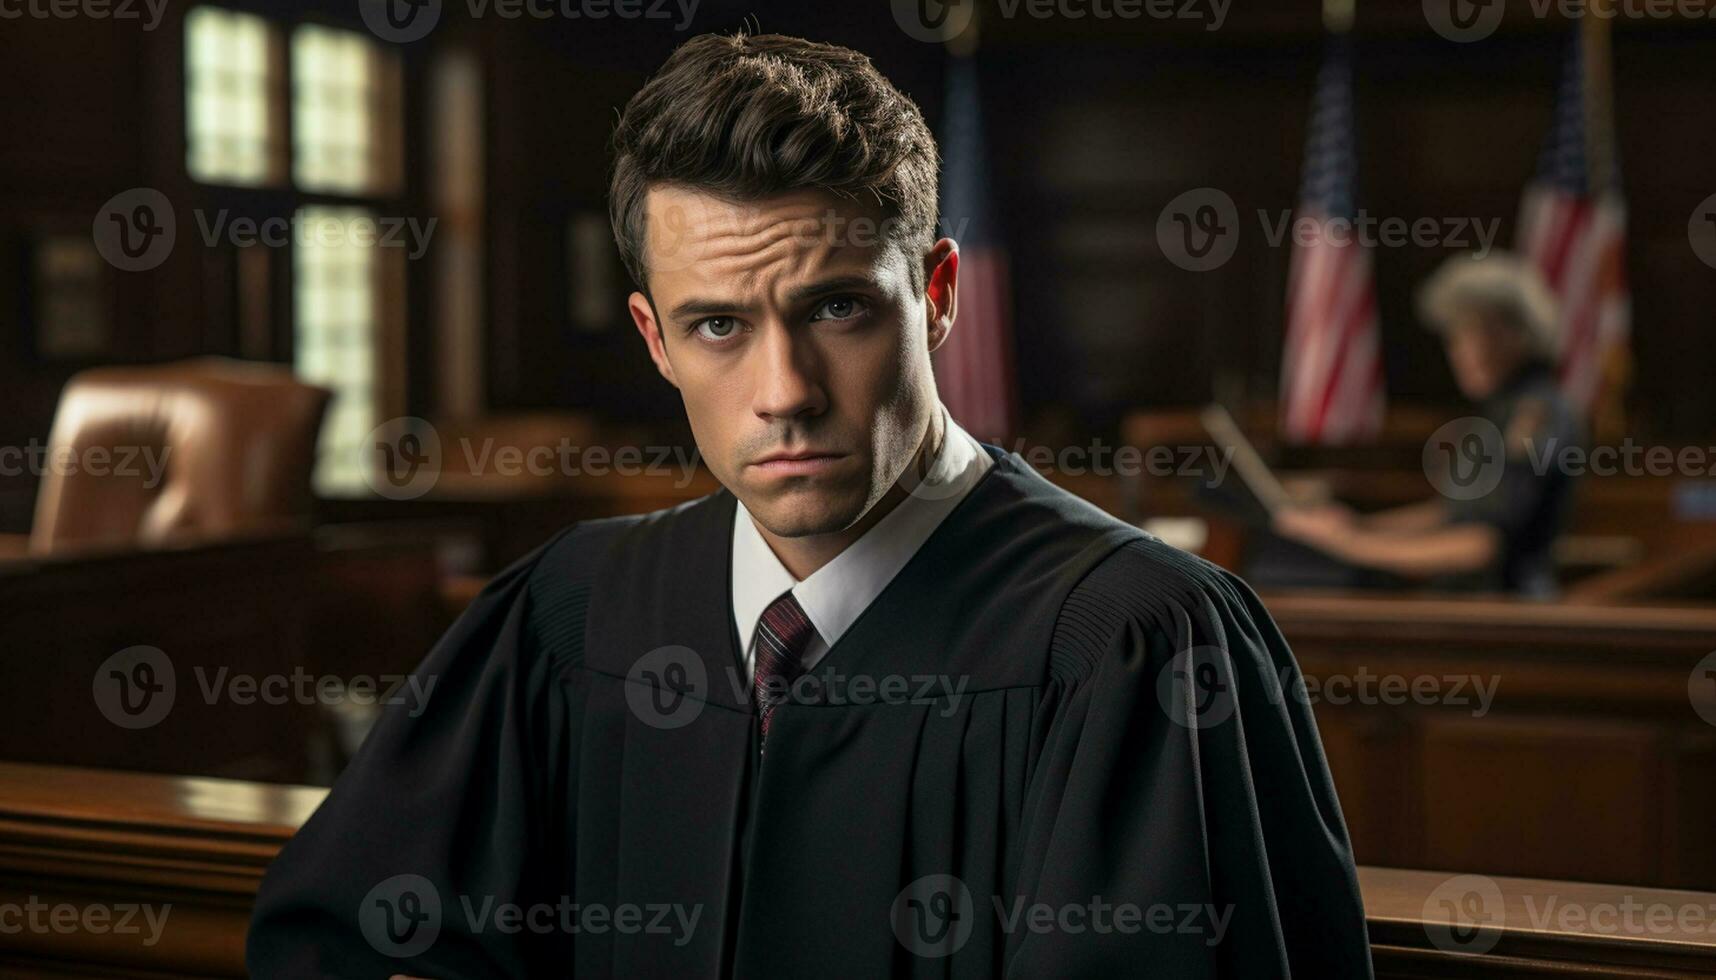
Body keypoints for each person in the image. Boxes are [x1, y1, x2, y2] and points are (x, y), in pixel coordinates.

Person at [248, 32, 1371, 978]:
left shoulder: (1133, 640)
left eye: (836, 307)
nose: (782, 393)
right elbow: (337, 937)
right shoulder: (574, 613)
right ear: (654, 338)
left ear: (935, 295)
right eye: (718, 325)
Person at [1273, 252, 1582, 597]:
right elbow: (1456, 513)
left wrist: (1351, 544)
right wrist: (1356, 525)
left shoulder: (1537, 414)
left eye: (1473, 335)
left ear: (1516, 334)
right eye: (1455, 338)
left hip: (1504, 618)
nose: (1460, 353)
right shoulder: (1502, 409)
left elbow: (1480, 545)